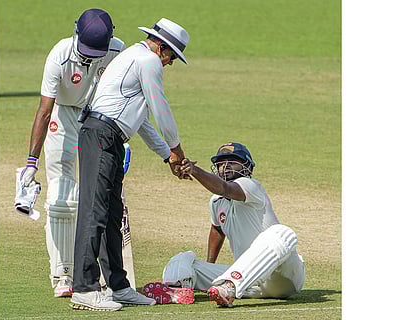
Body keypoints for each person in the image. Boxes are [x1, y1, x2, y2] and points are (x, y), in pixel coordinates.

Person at [70, 18, 190, 311]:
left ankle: (118, 286)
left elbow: (142, 121)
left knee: (111, 213)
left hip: (107, 136)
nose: (170, 63)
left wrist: (167, 155)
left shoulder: (136, 56)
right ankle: (84, 288)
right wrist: (176, 149)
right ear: (161, 47)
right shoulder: (148, 61)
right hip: (101, 134)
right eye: (172, 56)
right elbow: (160, 107)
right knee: (94, 211)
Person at [19, 8, 125, 298]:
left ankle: (102, 273)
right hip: (63, 116)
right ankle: (62, 274)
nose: (90, 57)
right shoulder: (60, 55)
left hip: (100, 118)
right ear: (75, 32)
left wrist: (124, 141)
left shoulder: (118, 50)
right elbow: (44, 110)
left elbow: (126, 96)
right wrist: (31, 161)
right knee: (62, 197)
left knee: (100, 197)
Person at [143, 142, 306, 307]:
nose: (225, 167)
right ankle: (177, 290)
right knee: (183, 259)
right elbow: (217, 229)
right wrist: (209, 265)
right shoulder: (216, 202)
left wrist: (194, 170)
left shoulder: (251, 186)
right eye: (221, 163)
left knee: (282, 233)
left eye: (233, 161)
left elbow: (224, 188)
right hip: (248, 279)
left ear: (247, 167)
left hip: (282, 277)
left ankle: (229, 287)